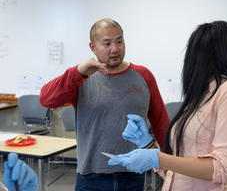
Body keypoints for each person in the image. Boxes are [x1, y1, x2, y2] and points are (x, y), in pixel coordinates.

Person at [108, 20, 227, 190]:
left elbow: (220, 169)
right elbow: (176, 172)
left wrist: (156, 158)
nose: (186, 58)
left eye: (191, 51)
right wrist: (147, 144)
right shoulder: (199, 96)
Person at [39, 18, 170, 191]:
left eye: (119, 41)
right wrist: (77, 72)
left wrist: (171, 166)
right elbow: (46, 99)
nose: (115, 49)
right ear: (93, 47)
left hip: (134, 177)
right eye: (107, 43)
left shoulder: (143, 75)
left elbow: (161, 123)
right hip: (91, 179)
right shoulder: (81, 78)